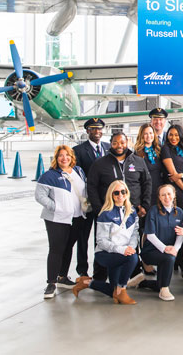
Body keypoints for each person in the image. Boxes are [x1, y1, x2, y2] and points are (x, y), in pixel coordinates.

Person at [86, 131, 152, 284]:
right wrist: (99, 209)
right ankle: (100, 275)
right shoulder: (100, 163)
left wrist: (145, 205)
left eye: (122, 142)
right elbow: (92, 186)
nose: (119, 146)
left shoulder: (138, 161)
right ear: (111, 143)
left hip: (132, 211)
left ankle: (134, 274)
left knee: (131, 240)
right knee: (104, 242)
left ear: (127, 142)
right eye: (115, 143)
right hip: (108, 212)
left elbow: (147, 183)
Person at [72, 180, 140, 304]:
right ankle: (122, 289)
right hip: (106, 253)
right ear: (111, 195)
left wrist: (130, 247)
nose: (120, 195)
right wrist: (122, 250)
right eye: (116, 193)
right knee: (133, 258)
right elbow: (101, 241)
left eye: (123, 192)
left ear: (127, 193)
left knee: (113, 292)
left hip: (123, 252)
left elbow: (135, 233)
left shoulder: (132, 212)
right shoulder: (105, 213)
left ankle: (87, 282)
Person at [35, 145, 89, 298]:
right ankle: (51, 283)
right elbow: (40, 196)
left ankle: (62, 277)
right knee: (56, 249)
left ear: (72, 157)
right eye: (61, 156)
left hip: (77, 217)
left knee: (68, 247)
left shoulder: (78, 171)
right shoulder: (49, 175)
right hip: (57, 219)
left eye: (67, 155)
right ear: (56, 158)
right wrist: (57, 207)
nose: (64, 158)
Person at [72, 117, 110, 277]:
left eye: (99, 129)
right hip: (86, 200)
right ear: (87, 131)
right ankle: (82, 270)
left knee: (101, 236)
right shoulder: (79, 150)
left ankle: (100, 270)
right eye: (93, 129)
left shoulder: (109, 147)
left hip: (105, 200)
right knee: (83, 236)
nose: (97, 132)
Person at [135, 184, 183, 301]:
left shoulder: (179, 212)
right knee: (169, 258)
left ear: (174, 195)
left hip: (169, 251)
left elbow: (180, 234)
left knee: (169, 257)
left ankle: (145, 283)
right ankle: (164, 289)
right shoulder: (153, 211)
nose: (166, 197)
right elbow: (150, 235)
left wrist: (175, 249)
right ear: (159, 197)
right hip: (151, 251)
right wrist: (165, 248)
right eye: (163, 195)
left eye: (169, 194)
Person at [160, 124, 183, 220]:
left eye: (176, 135)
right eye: (170, 135)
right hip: (176, 187)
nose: (173, 138)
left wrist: (181, 175)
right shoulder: (165, 149)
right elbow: (173, 174)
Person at [135, 123, 163, 201]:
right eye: (145, 134)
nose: (149, 136)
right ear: (141, 136)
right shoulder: (137, 153)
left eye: (151, 133)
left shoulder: (159, 149)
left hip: (160, 187)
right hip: (146, 190)